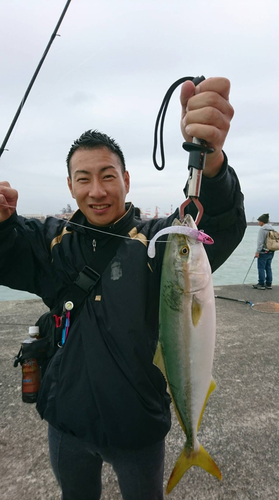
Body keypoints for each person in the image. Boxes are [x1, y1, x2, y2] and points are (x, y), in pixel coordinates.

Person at [0, 77, 246, 500]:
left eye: (107, 175)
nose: (96, 191)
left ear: (127, 180)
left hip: (138, 430)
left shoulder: (158, 243)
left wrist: (212, 164)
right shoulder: (49, 241)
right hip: (67, 424)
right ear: (70, 186)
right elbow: (8, 250)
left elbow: (219, 223)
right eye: (84, 178)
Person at [252, 213, 274, 290]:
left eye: (259, 221)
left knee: (261, 268)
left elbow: (260, 242)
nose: (258, 222)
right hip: (271, 251)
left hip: (263, 251)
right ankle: (269, 283)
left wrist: (257, 252)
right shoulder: (272, 229)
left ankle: (261, 283)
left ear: (262, 221)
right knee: (268, 267)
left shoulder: (262, 229)